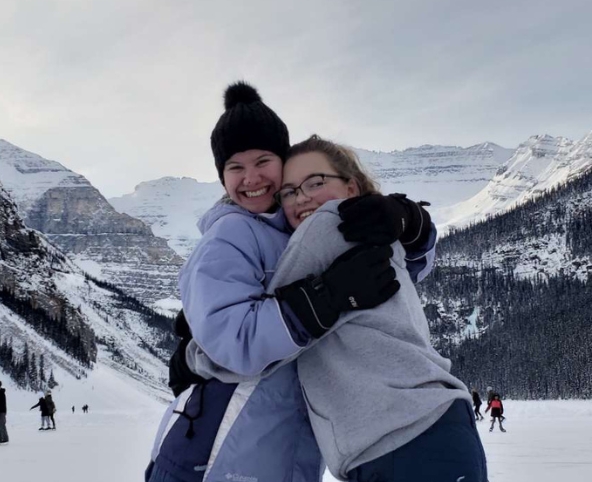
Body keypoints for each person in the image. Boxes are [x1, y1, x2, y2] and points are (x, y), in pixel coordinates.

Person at [147, 82, 436, 482]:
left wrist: (412, 223)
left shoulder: (305, 222)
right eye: (235, 167)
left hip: (286, 447)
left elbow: (390, 277)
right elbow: (235, 343)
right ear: (221, 177)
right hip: (218, 447)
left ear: (283, 161)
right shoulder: (230, 234)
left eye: (263, 161)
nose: (251, 178)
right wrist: (326, 299)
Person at [185, 135, 488, 482]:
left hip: (400, 436)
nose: (303, 198)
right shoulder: (375, 227)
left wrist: (197, 353)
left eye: (315, 182)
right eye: (290, 191)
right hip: (429, 425)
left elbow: (248, 337)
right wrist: (411, 219)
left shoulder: (325, 227)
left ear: (351, 187)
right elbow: (418, 263)